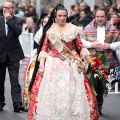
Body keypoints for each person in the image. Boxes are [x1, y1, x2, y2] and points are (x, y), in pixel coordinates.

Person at [28, 4, 99, 120]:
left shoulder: (73, 29)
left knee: (73, 92)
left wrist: (90, 60)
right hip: (53, 65)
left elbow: (80, 46)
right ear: (55, 16)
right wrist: (41, 65)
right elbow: (44, 49)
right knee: (53, 93)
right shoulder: (50, 31)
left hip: (71, 65)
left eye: (64, 16)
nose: (62, 18)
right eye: (60, 16)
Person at [81, 8, 120, 115]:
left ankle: (99, 106)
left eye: (102, 16)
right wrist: (91, 45)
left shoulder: (111, 28)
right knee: (91, 84)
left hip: (105, 60)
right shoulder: (88, 27)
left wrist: (110, 46)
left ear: (106, 17)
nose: (99, 18)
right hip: (91, 59)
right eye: (97, 16)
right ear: (95, 16)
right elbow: (80, 41)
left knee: (101, 85)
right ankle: (91, 106)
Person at [0, 1, 24, 112]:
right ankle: (0, 102)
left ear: (12, 9)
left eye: (8, 8)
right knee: (0, 81)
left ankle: (17, 103)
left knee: (14, 81)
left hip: (13, 55)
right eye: (4, 7)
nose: (5, 9)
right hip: (1, 54)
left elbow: (18, 32)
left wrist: (9, 20)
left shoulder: (18, 20)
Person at [23, 16, 49, 111]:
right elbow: (36, 47)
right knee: (32, 79)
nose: (46, 23)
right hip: (37, 58)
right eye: (44, 21)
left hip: (50, 59)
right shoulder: (39, 33)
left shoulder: (53, 32)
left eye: (48, 21)